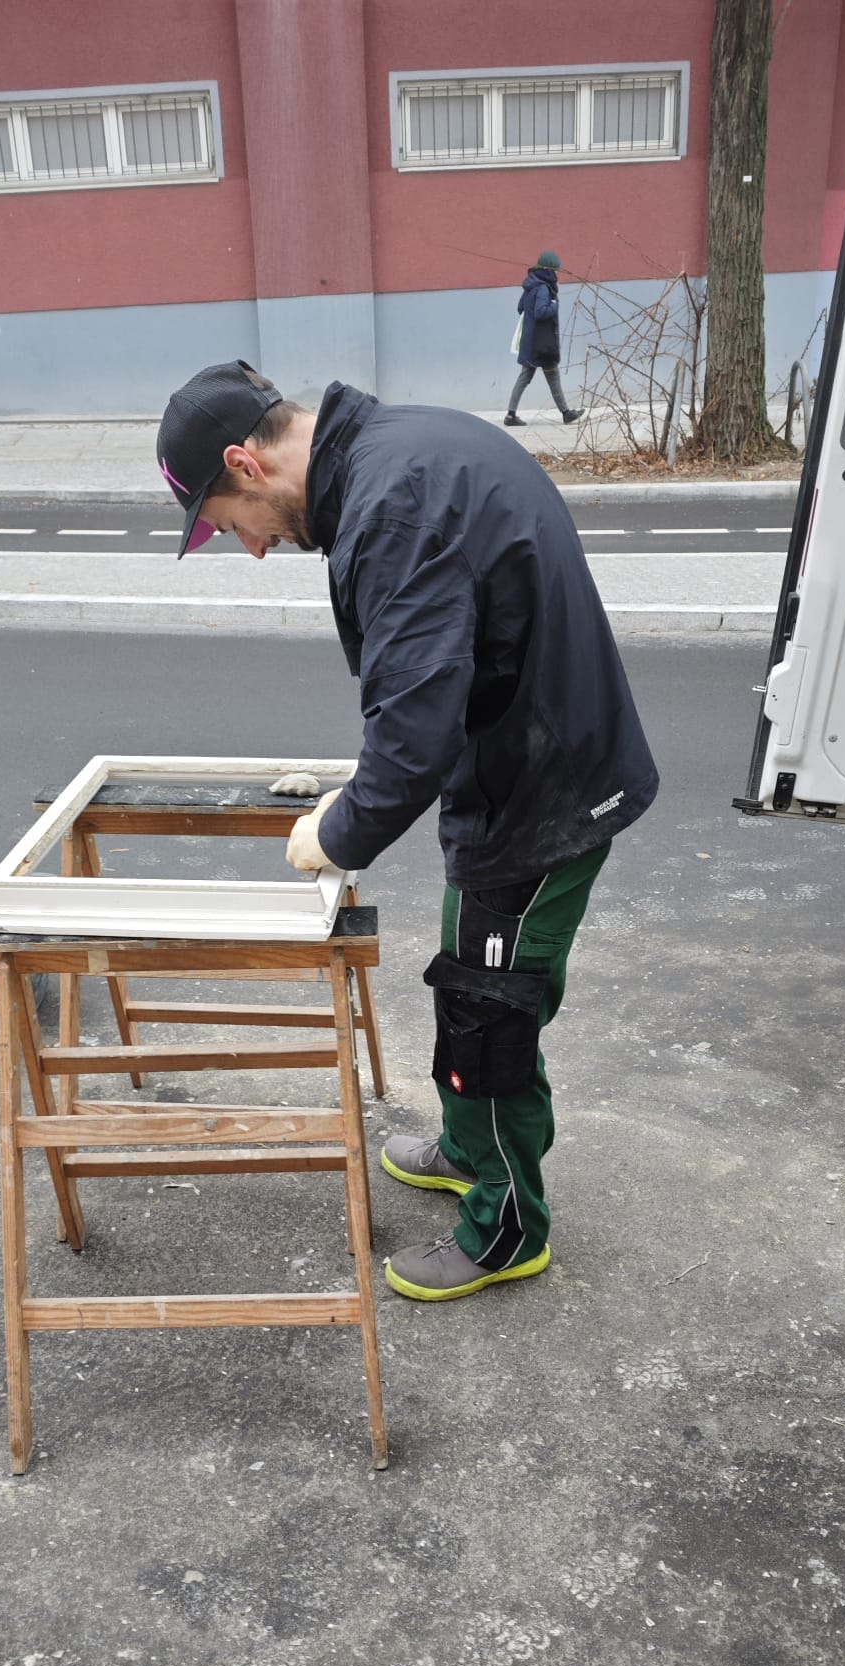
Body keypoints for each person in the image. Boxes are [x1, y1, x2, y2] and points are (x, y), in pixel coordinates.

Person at [156, 361, 657, 1301]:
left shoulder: (394, 508)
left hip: (539, 799)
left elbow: (414, 736)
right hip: (521, 769)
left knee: (491, 1015)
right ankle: (469, 1150)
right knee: (470, 976)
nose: (253, 550)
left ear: (246, 464)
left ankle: (507, 1230)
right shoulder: (401, 448)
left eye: (230, 524)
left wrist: (337, 834)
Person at [504, 250, 579, 427]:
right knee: (552, 376)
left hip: (531, 342)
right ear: (548, 270)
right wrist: (554, 305)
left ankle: (510, 414)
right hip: (542, 343)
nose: (556, 274)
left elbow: (520, 307)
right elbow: (540, 312)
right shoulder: (544, 288)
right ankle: (566, 413)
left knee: (526, 377)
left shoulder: (531, 286)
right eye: (555, 271)